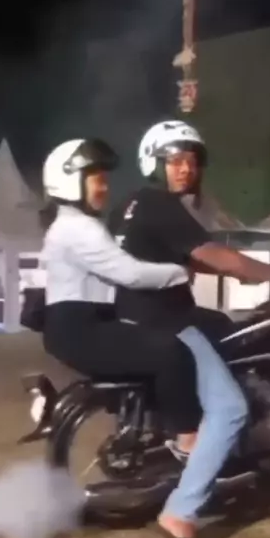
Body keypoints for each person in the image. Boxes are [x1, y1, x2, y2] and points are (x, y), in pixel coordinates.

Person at [107, 119, 270, 538]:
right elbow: (217, 257)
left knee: (228, 327)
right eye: (174, 160)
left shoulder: (129, 205)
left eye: (191, 161)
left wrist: (240, 274)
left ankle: (226, 442)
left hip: (136, 317)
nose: (185, 169)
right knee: (230, 409)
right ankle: (181, 513)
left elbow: (180, 258)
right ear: (154, 163)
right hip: (166, 322)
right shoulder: (161, 204)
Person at [40, 137, 202, 480]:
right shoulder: (78, 228)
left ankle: (157, 433)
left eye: (105, 180)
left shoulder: (71, 225)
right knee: (172, 353)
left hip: (79, 324)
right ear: (70, 181)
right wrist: (179, 272)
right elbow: (129, 273)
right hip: (81, 328)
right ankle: (189, 441)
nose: (104, 188)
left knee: (149, 354)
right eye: (97, 180)